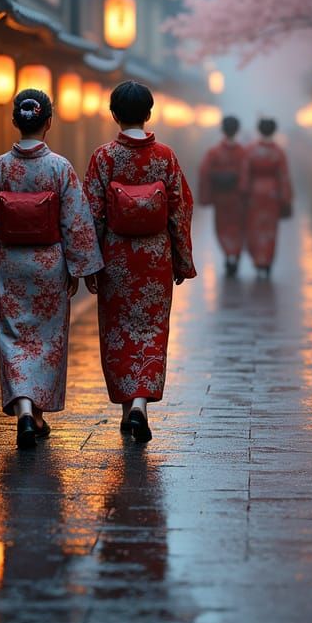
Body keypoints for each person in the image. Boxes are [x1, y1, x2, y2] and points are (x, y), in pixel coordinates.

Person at [0, 88, 103, 450]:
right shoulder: (59, 167)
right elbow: (77, 220)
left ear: (15, 121)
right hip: (48, 263)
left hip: (10, 263)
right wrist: (80, 267)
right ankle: (35, 413)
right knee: (46, 341)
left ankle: (27, 412)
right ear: (49, 122)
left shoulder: (0, 167)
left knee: (13, 337)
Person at [83, 80, 197, 443]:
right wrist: (182, 260)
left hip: (116, 257)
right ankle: (139, 405)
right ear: (148, 114)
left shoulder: (104, 157)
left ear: (114, 114)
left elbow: (93, 213)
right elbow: (179, 210)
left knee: (118, 332)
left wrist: (90, 263)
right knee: (150, 331)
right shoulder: (164, 156)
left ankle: (128, 407)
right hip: (154, 258)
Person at [241, 117, 293, 279]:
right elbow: (284, 176)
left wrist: (244, 192)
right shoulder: (278, 152)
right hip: (272, 193)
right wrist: (286, 198)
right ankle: (267, 260)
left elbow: (245, 173)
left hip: (255, 193)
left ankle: (258, 259)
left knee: (255, 228)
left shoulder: (250, 150)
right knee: (270, 229)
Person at [198, 115, 247, 277]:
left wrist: (208, 192)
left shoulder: (214, 152)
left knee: (223, 227)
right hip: (237, 197)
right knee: (238, 227)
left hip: (221, 197)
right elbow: (247, 173)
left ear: (223, 130)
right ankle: (236, 255)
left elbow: (204, 171)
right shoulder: (243, 152)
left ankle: (228, 254)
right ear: (237, 130)